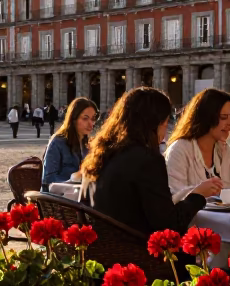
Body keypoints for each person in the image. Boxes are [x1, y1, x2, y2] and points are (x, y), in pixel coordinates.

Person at [82, 87, 220, 234]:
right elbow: (170, 225)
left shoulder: (100, 153)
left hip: (100, 247)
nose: (166, 131)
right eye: (166, 123)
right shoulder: (148, 161)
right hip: (136, 250)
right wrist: (198, 195)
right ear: (154, 124)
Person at [165, 89, 230, 201]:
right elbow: (173, 197)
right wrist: (198, 191)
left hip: (222, 218)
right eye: (223, 117)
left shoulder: (224, 150)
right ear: (206, 117)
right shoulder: (179, 150)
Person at [42, 98, 98, 191]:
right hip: (59, 200)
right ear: (73, 119)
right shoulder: (58, 142)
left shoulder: (88, 144)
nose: (91, 124)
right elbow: (48, 180)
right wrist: (74, 179)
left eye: (93, 119)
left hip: (81, 197)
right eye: (85, 118)